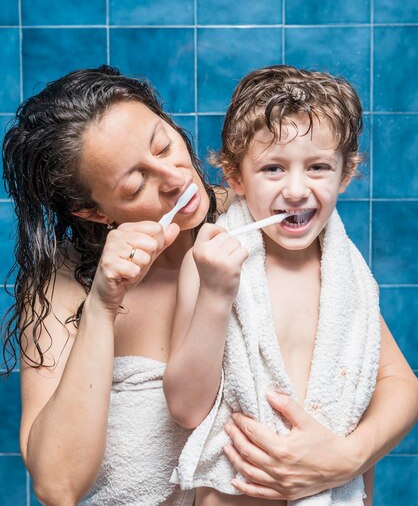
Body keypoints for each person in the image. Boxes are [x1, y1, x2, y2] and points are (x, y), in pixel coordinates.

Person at [1, 65, 416, 506]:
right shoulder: (65, 282)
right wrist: (103, 304)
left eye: (164, 144)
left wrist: (345, 458)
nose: (176, 178)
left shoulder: (264, 219)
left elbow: (389, 378)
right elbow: (57, 486)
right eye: (137, 181)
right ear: (94, 213)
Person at [163, 65, 418, 506]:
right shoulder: (210, 264)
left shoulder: (344, 272)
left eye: (318, 167)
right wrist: (216, 295)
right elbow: (186, 408)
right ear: (235, 177)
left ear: (345, 174)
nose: (297, 189)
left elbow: (404, 387)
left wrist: (348, 457)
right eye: (274, 168)